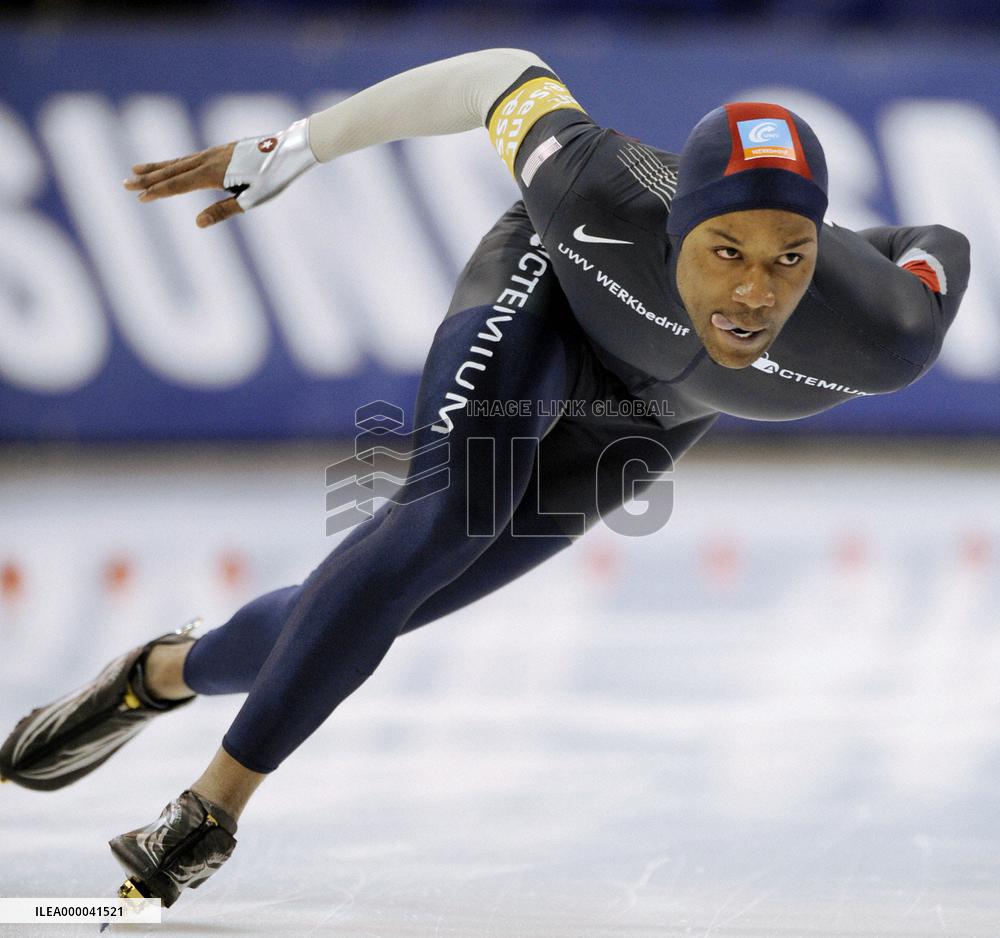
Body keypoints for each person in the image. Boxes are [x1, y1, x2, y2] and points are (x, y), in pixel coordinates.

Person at [0, 48, 970, 909]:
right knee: (443, 519)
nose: (755, 295)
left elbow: (939, 246)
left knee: (390, 605)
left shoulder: (883, 337)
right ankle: (209, 810)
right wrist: (302, 141)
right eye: (725, 252)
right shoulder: (593, 184)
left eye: (789, 260)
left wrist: (874, 256)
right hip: (551, 301)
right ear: (675, 225)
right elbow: (494, 74)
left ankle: (153, 674)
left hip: (647, 417)